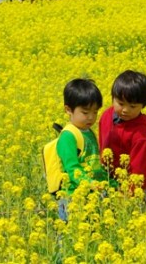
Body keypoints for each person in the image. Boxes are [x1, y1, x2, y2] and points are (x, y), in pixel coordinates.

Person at [55, 78, 108, 222]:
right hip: (72, 197)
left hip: (91, 195)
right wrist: (89, 183)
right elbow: (72, 168)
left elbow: (94, 164)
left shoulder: (88, 132)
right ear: (68, 110)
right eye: (85, 112)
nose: (91, 117)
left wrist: (108, 182)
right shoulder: (68, 137)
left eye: (95, 112)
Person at [99, 70, 146, 193]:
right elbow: (101, 145)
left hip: (130, 188)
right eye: (120, 103)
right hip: (105, 181)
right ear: (112, 98)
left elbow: (140, 169)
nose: (125, 110)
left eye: (132, 106)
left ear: (143, 105)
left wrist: (132, 194)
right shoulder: (107, 115)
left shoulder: (141, 134)